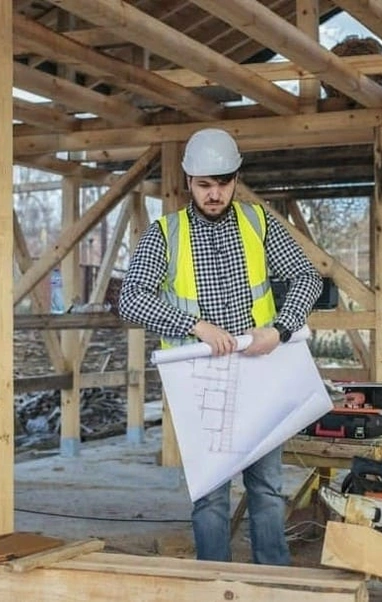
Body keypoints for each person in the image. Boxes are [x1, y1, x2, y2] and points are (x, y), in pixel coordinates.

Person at [118, 128, 322, 565]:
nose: (215, 194)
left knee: (266, 489)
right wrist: (194, 325)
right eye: (205, 185)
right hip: (200, 381)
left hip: (259, 375)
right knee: (209, 496)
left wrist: (281, 329)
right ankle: (214, 583)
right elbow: (131, 299)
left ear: (235, 178)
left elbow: (309, 278)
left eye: (223, 184)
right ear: (188, 181)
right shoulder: (164, 234)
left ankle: (275, 582)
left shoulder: (258, 223)